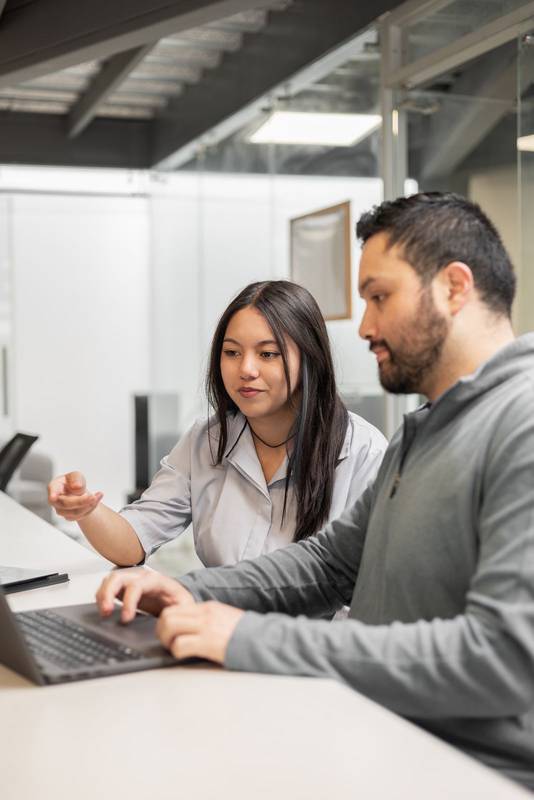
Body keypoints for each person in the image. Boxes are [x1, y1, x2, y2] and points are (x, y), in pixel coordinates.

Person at [96, 192, 534, 791]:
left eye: (379, 297)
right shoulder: (428, 428)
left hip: (462, 771)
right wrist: (186, 589)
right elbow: (330, 564)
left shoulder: (522, 423)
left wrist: (252, 638)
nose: (367, 328)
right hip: (376, 733)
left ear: (455, 288)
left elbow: (505, 657)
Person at [49, 280, 386, 569]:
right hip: (217, 632)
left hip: (307, 643)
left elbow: (364, 597)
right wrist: (86, 510)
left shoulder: (363, 452)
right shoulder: (207, 440)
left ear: (310, 358)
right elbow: (134, 540)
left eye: (268, 354)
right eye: (232, 352)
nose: (246, 369)